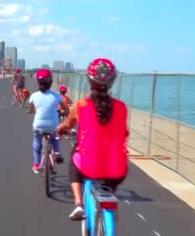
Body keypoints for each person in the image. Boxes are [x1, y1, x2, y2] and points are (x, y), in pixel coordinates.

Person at [56, 58, 128, 221]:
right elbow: (123, 133)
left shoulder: (81, 105)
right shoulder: (121, 107)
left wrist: (60, 129)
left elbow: (67, 124)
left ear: (89, 80)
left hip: (88, 165)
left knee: (74, 163)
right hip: (117, 169)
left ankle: (78, 204)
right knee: (109, 186)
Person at [28, 69, 69, 174]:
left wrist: (32, 111)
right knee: (55, 137)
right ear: (50, 82)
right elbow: (66, 109)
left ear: (38, 82)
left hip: (38, 125)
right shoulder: (56, 96)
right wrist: (66, 113)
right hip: (53, 125)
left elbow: (31, 109)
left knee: (37, 143)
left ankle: (37, 165)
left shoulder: (34, 96)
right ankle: (57, 153)